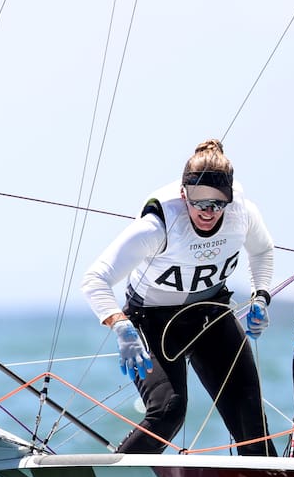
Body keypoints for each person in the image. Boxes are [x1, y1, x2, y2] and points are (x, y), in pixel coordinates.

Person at [80, 139, 277, 456]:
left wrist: (261, 296)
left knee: (252, 426)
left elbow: (263, 251)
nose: (208, 212)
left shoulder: (243, 213)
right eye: (199, 202)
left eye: (217, 204)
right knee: (168, 411)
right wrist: (121, 326)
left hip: (211, 317)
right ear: (184, 193)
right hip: (152, 322)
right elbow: (94, 280)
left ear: (229, 197)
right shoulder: (158, 225)